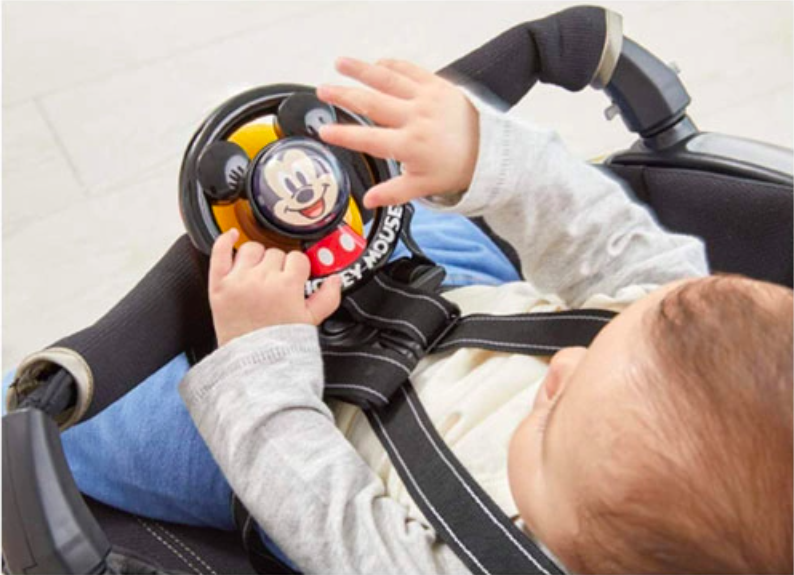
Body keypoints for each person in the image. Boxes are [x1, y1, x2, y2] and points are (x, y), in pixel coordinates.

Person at [177, 57, 793, 574]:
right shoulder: (675, 321)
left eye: (551, 423)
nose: (564, 365)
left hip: (307, 417)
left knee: (135, 426)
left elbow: (325, 513)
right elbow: (601, 236)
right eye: (599, 347)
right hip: (443, 297)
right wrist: (482, 154)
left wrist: (259, 354)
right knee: (425, 208)